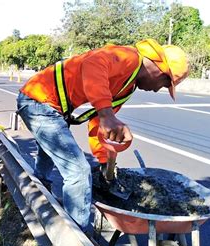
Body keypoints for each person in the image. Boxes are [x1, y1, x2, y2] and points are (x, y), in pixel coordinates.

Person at [16, 39, 189, 231]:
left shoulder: (127, 87)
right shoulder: (129, 57)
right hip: (38, 101)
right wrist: (107, 113)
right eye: (165, 82)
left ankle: (38, 197)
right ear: (158, 67)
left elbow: (100, 122)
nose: (158, 89)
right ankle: (80, 243)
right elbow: (93, 64)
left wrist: (104, 160)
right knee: (78, 172)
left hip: (47, 105)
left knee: (50, 155)